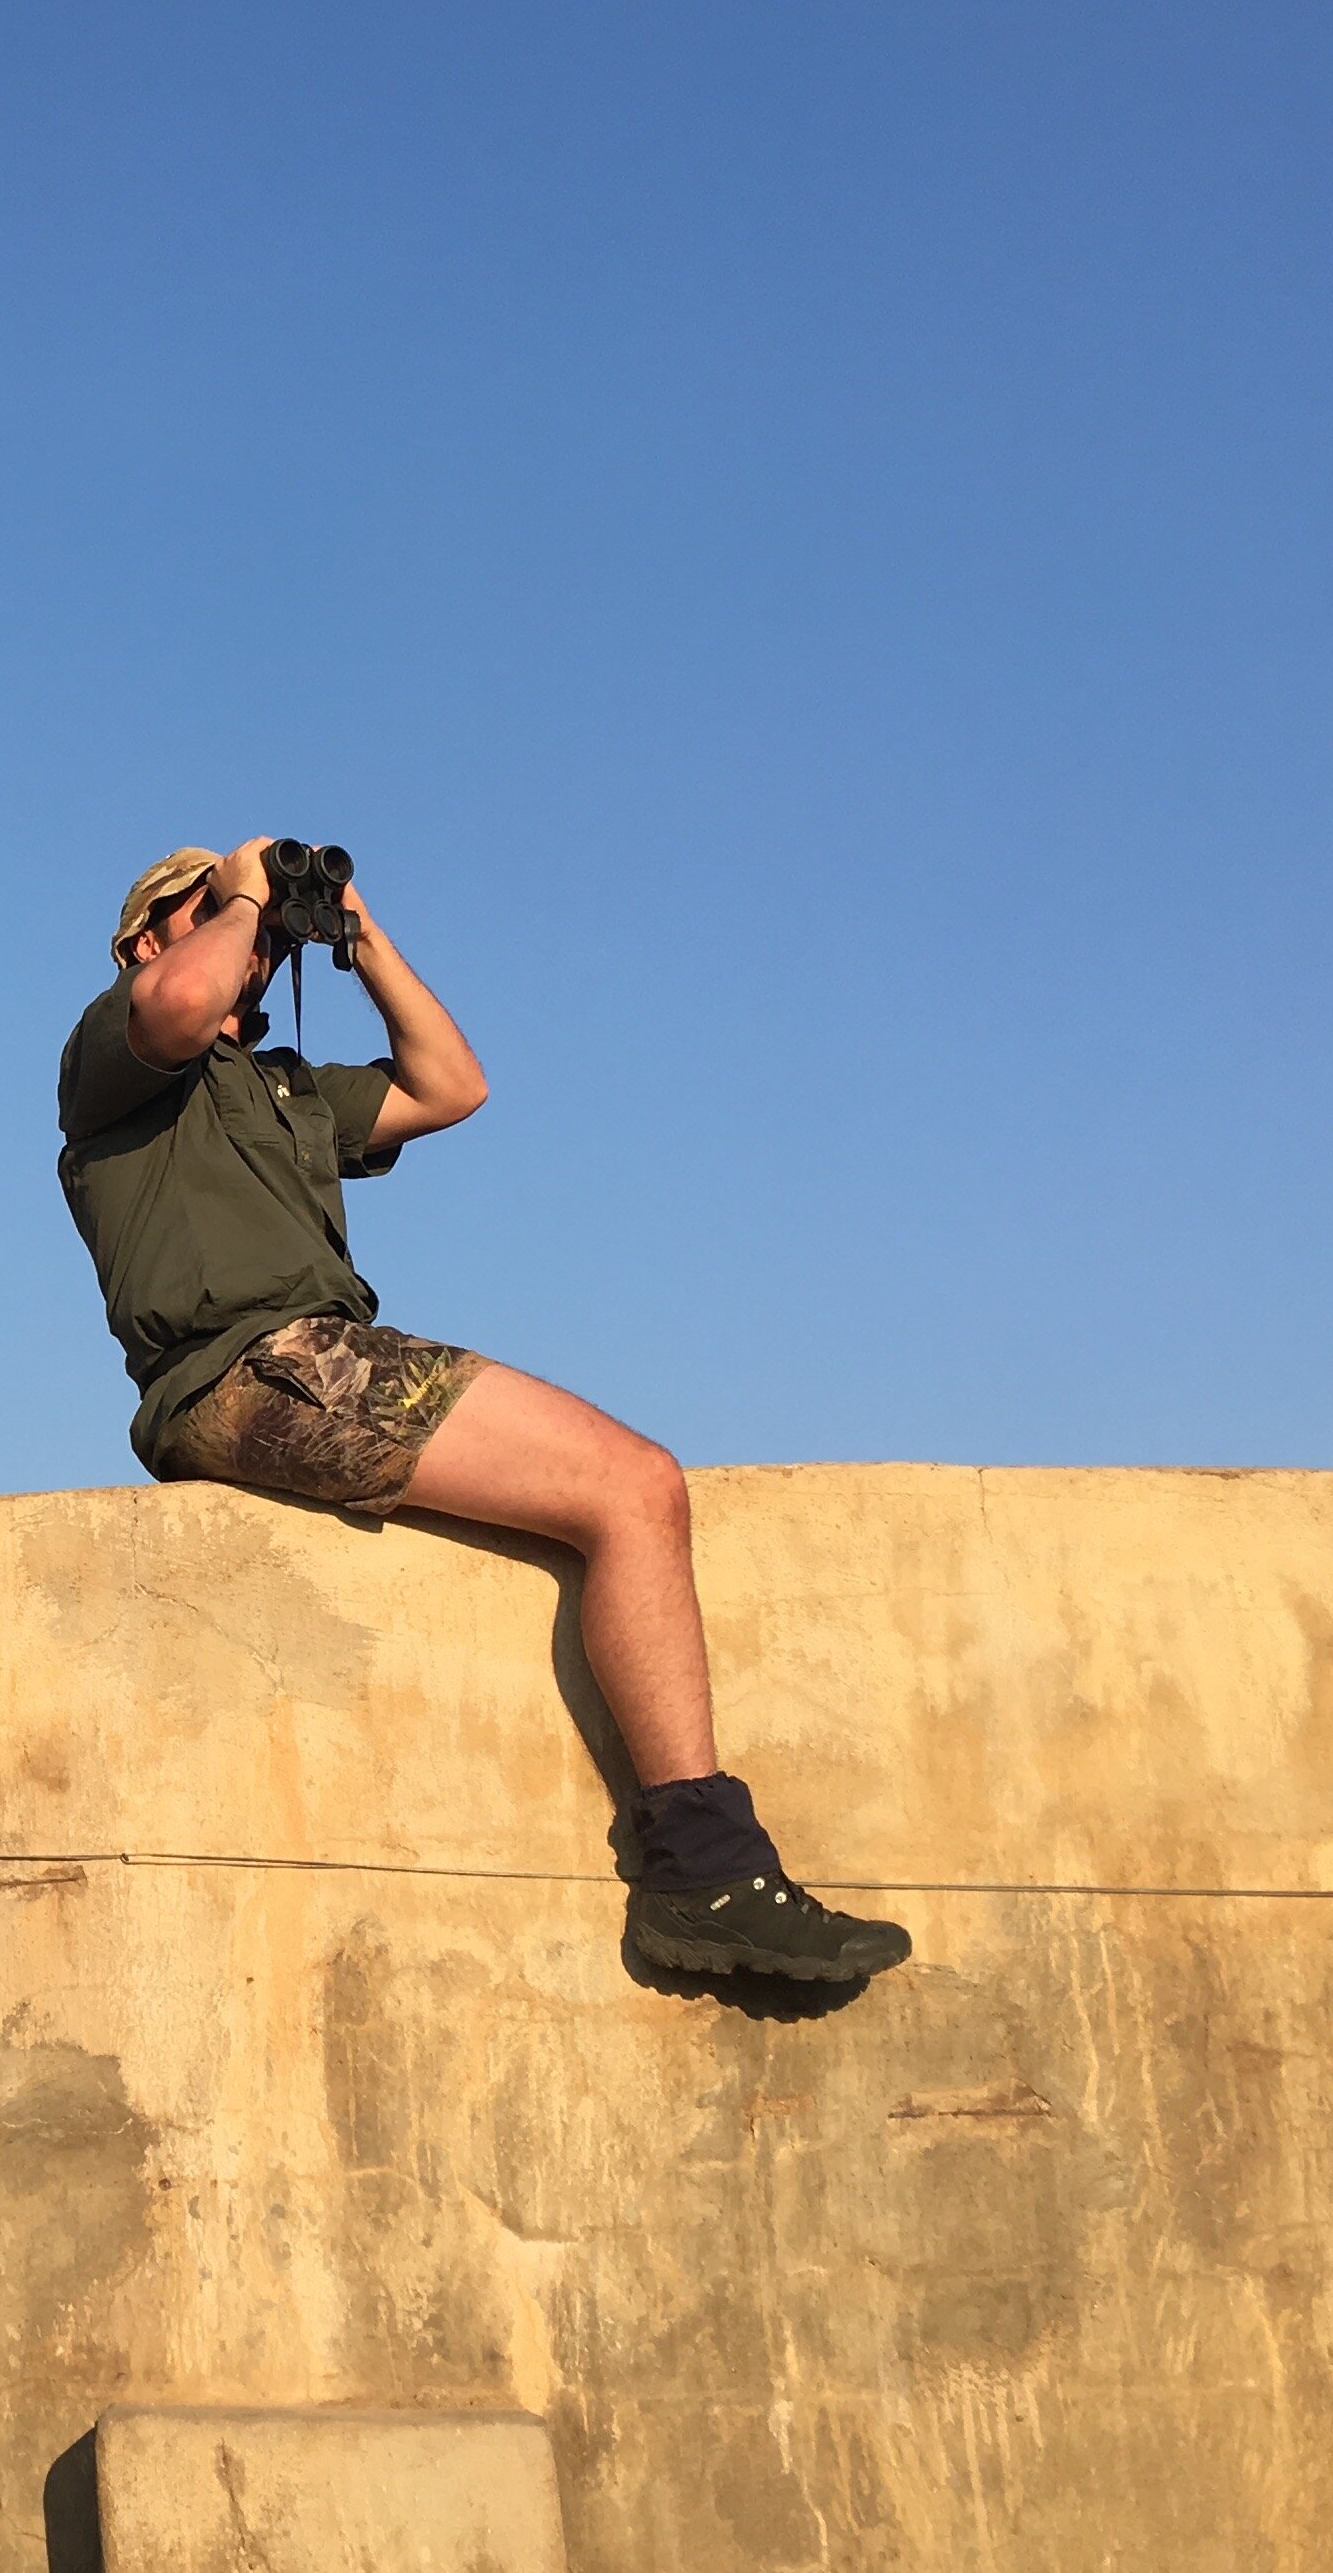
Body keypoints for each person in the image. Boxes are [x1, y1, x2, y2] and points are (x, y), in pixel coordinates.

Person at [53, 840, 913, 1982]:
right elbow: (177, 1003)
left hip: (313, 1355)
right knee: (631, 1485)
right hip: (255, 1362)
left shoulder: (286, 1088)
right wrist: (248, 888)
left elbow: (452, 1085)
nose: (241, 931)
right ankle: (704, 1876)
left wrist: (353, 932)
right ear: (142, 940)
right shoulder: (113, 1052)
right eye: (201, 910)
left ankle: (707, 1870)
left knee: (628, 1486)